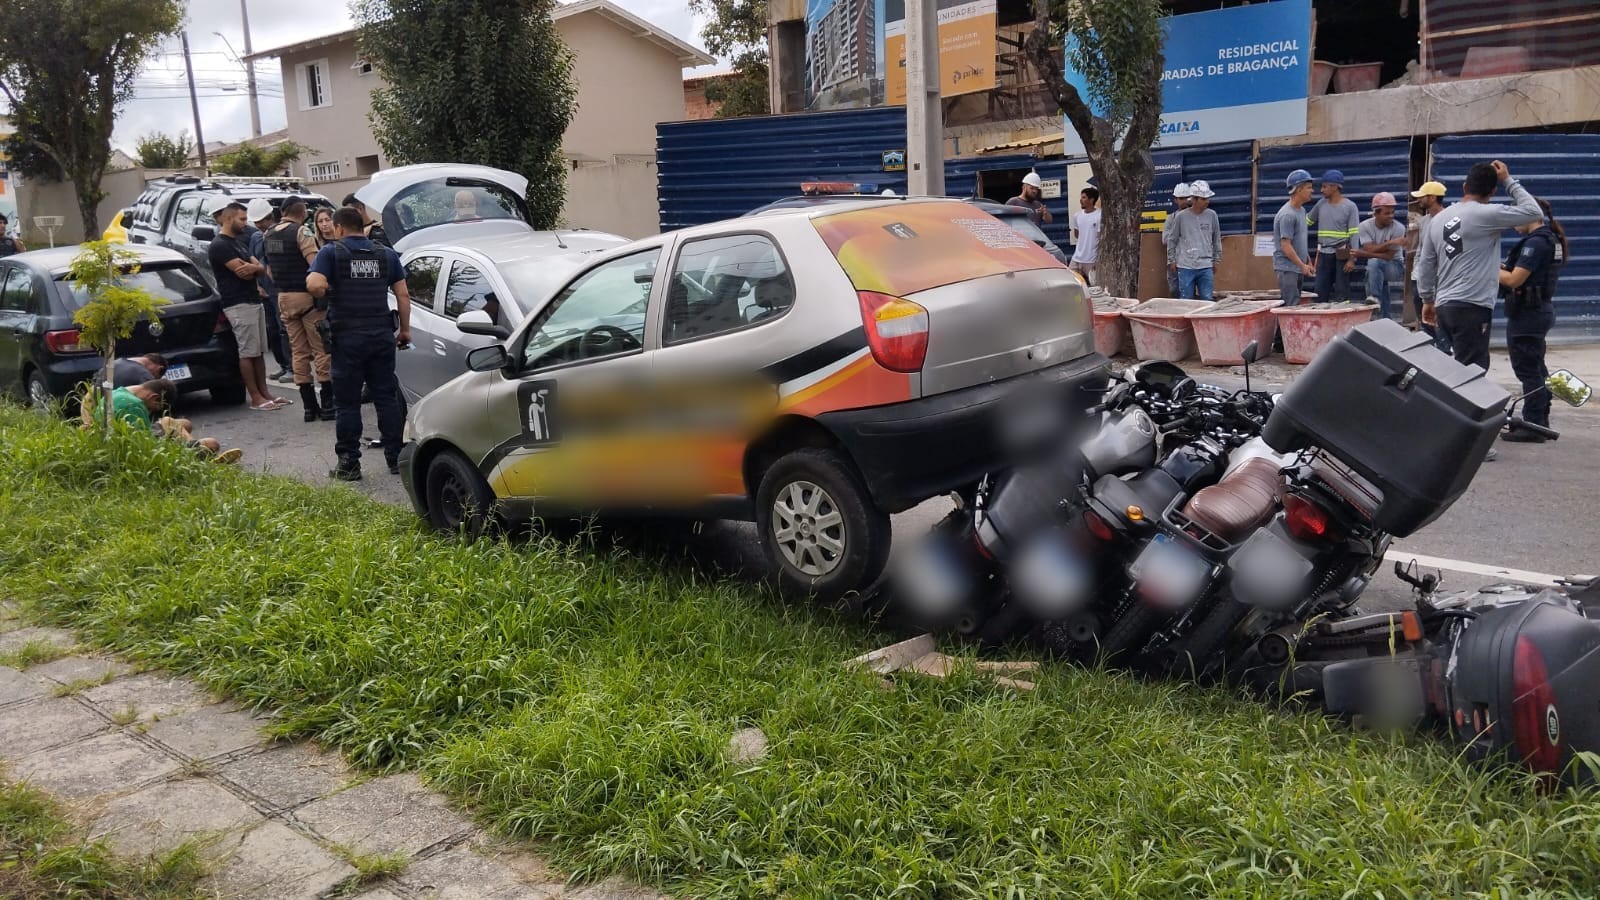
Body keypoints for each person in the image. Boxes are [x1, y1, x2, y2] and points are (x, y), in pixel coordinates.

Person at [307, 207, 412, 481]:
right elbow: (403, 295)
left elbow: (314, 284)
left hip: (348, 339)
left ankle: (349, 464)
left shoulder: (331, 252)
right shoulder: (385, 254)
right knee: (386, 397)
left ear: (339, 228)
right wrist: (405, 331)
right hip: (381, 335)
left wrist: (328, 290)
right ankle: (396, 459)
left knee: (348, 403)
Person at [1415, 160, 1543, 372]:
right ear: (1493, 191)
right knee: (1471, 375)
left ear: (1465, 187)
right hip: (1471, 307)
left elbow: (1426, 263)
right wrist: (1508, 181)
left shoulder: (1438, 220)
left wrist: (1427, 300)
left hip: (1445, 306)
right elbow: (1533, 212)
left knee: (1453, 369)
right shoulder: (1488, 214)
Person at [207, 202, 289, 411]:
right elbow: (241, 270)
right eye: (242, 219)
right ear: (227, 218)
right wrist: (255, 268)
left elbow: (260, 268)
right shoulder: (220, 245)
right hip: (238, 303)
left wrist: (254, 268)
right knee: (247, 352)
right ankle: (255, 397)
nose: (246, 223)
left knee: (259, 350)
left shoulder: (239, 242)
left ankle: (265, 393)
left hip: (253, 300)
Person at [1499, 197, 1566, 443]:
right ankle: (1541, 422)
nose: (1512, 223)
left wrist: (1486, 267)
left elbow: (1515, 280)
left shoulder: (1537, 243)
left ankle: (1533, 424)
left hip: (1529, 314)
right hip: (1537, 311)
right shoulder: (1549, 238)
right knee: (1537, 368)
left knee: (1528, 370)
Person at [264, 197, 335, 422]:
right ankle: (328, 406)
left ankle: (308, 408)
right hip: (307, 298)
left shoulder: (269, 234)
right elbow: (316, 265)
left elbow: (269, 270)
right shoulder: (301, 232)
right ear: (302, 212)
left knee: (298, 351)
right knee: (321, 349)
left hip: (284, 298)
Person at [245, 199, 294, 383]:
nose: (259, 226)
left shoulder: (277, 236)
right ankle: (283, 365)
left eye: (262, 222)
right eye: (256, 222)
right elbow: (255, 260)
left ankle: (291, 367)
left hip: (279, 290)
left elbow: (277, 263)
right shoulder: (256, 238)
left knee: (284, 329)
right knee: (273, 329)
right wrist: (258, 285)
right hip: (265, 291)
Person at [1308, 169, 1361, 303]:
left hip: (1341, 255)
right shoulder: (1320, 204)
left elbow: (1354, 233)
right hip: (1323, 254)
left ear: (1335, 187)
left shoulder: (1350, 207)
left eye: (1325, 186)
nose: (1321, 190)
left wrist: (1352, 259)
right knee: (1319, 292)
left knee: (1342, 293)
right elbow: (1306, 221)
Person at [1406, 181, 1449, 346]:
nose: (1419, 200)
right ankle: (1430, 345)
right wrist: (1415, 272)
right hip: (1420, 275)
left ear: (1432, 198)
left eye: (1422, 197)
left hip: (1438, 276)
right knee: (1424, 316)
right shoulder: (1424, 221)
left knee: (1437, 315)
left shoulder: (1448, 219)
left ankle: (1444, 348)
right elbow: (1421, 249)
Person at [1165, 179, 1221, 300]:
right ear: (1194, 199)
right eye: (1203, 199)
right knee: (1186, 300)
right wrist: (1172, 260)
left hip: (1205, 265)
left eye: (1207, 198)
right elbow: (1172, 239)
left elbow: (1216, 239)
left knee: (1207, 299)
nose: (1207, 201)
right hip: (1186, 266)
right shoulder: (1181, 217)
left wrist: (1216, 260)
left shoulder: (1212, 215)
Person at [1352, 193, 1406, 319]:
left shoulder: (1399, 228)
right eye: (1387, 213)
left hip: (1395, 267)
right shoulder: (1364, 226)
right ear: (1376, 213)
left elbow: (1388, 256)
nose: (1391, 216)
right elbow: (1369, 248)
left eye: (1392, 212)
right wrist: (1391, 242)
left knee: (1373, 264)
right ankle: (1385, 318)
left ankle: (1374, 298)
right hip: (1377, 268)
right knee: (1376, 275)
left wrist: (1363, 254)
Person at [1272, 170, 1318, 308]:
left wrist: (1307, 260)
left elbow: (1300, 239)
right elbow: (1285, 245)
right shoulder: (1287, 215)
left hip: (1296, 267)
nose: (1312, 191)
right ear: (1298, 189)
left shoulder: (1301, 211)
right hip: (1287, 269)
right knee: (1291, 306)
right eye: (1309, 187)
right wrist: (1301, 265)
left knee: (1295, 305)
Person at [1069, 187, 1101, 286]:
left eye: (1084, 197)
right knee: (1071, 283)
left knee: (1095, 287)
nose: (1080, 200)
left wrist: (1098, 260)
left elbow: (1101, 238)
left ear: (1091, 200)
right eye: (1081, 197)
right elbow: (1076, 234)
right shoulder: (1077, 216)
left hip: (1091, 260)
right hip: (1077, 258)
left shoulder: (1100, 215)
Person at [1164, 183, 1192, 296]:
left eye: (1185, 198)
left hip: (1191, 262)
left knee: (1189, 292)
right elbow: (1165, 239)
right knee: (1174, 290)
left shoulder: (1195, 217)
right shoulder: (1171, 219)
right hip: (1174, 262)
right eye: (1180, 198)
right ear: (1175, 200)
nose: (1183, 201)